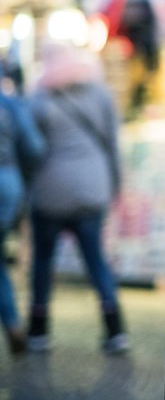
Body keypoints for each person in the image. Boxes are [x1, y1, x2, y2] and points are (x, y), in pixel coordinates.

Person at [25, 42, 129, 354]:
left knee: (43, 261)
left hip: (49, 192)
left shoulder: (39, 97)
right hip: (91, 187)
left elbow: (30, 149)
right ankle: (115, 330)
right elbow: (112, 142)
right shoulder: (99, 93)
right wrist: (115, 185)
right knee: (95, 259)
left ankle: (38, 331)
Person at [0, 73, 46, 355]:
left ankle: (14, 323)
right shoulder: (9, 103)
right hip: (8, 184)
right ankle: (13, 323)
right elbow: (34, 147)